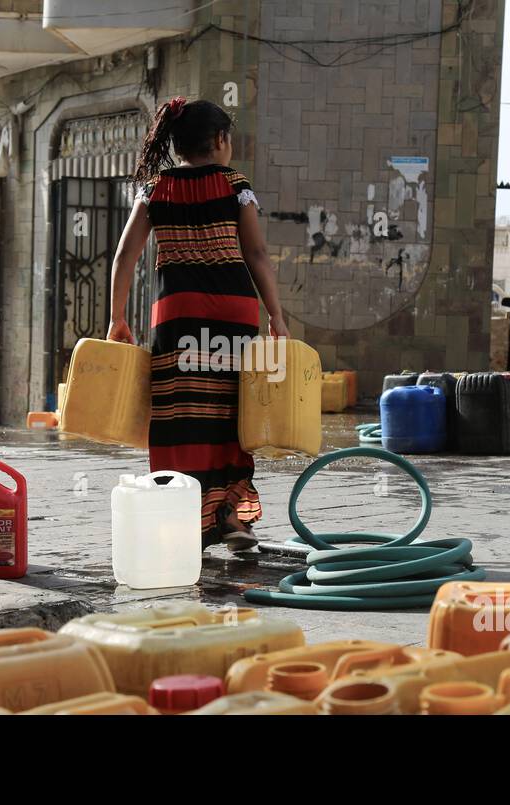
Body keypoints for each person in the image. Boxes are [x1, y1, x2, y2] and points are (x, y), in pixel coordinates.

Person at [106, 97, 289, 553]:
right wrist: (277, 315)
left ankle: (180, 519)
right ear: (221, 141)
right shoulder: (235, 186)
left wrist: (117, 317)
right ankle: (232, 517)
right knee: (231, 416)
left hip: (178, 315)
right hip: (233, 314)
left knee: (179, 418)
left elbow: (126, 256)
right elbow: (258, 255)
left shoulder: (155, 189)